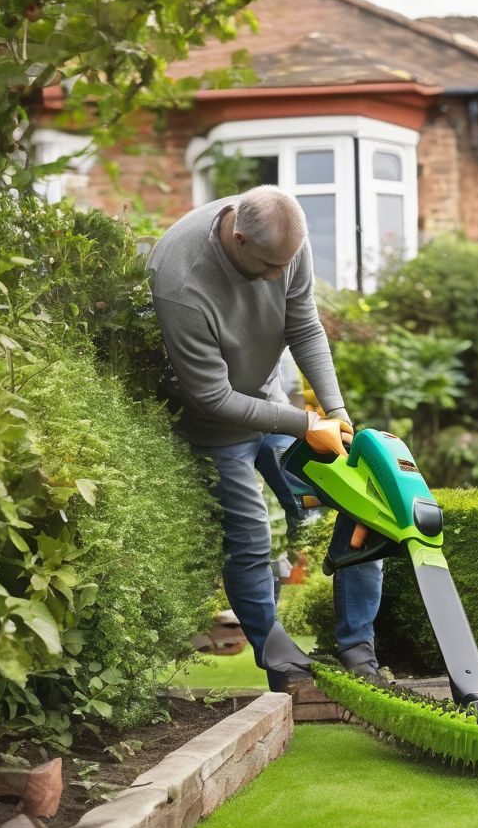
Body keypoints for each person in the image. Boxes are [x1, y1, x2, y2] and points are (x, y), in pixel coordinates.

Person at [147, 185, 383, 690]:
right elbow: (213, 398)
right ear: (238, 239)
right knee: (251, 537)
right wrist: (302, 423)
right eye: (271, 267)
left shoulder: (285, 241)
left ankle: (357, 645)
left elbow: (304, 327)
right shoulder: (181, 280)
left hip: (272, 404)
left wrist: (335, 414)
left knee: (362, 500)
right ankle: (276, 656)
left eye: (287, 263)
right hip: (215, 429)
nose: (280, 276)